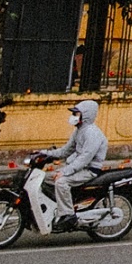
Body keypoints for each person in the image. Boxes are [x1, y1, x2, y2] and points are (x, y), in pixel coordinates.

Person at [29, 98, 109, 231]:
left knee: (61, 182)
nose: (73, 117)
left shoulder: (92, 133)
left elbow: (85, 158)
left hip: (89, 170)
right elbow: (66, 150)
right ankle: (57, 207)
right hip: (77, 167)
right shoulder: (79, 131)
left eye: (76, 114)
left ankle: (68, 215)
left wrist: (65, 172)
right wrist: (43, 153)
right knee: (42, 178)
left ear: (86, 115)